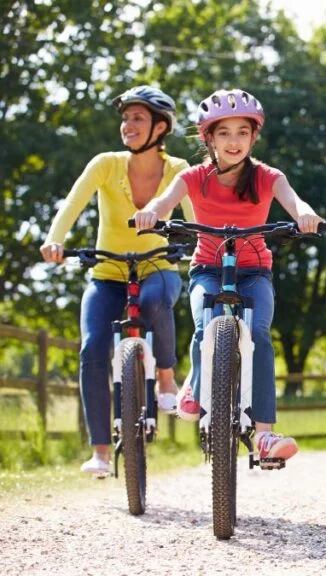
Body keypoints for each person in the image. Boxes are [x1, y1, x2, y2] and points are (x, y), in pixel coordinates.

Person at [133, 89, 324, 464]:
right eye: (224, 133)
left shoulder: (268, 177)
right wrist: (151, 213)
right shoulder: (193, 177)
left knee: (258, 335)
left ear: (254, 137)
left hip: (255, 272)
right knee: (205, 324)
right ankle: (197, 384)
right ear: (208, 138)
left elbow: (295, 201)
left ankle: (265, 436)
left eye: (242, 132)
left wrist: (306, 215)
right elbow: (163, 202)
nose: (233, 141)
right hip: (207, 267)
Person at [40, 86, 194, 477]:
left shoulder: (178, 171)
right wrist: (55, 240)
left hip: (157, 266)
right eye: (125, 118)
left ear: (161, 127)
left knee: (158, 302)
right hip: (107, 272)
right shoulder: (105, 164)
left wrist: (201, 249)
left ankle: (165, 377)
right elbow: (72, 204)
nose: (127, 125)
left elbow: (194, 222)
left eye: (137, 118)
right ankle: (101, 453)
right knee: (93, 347)